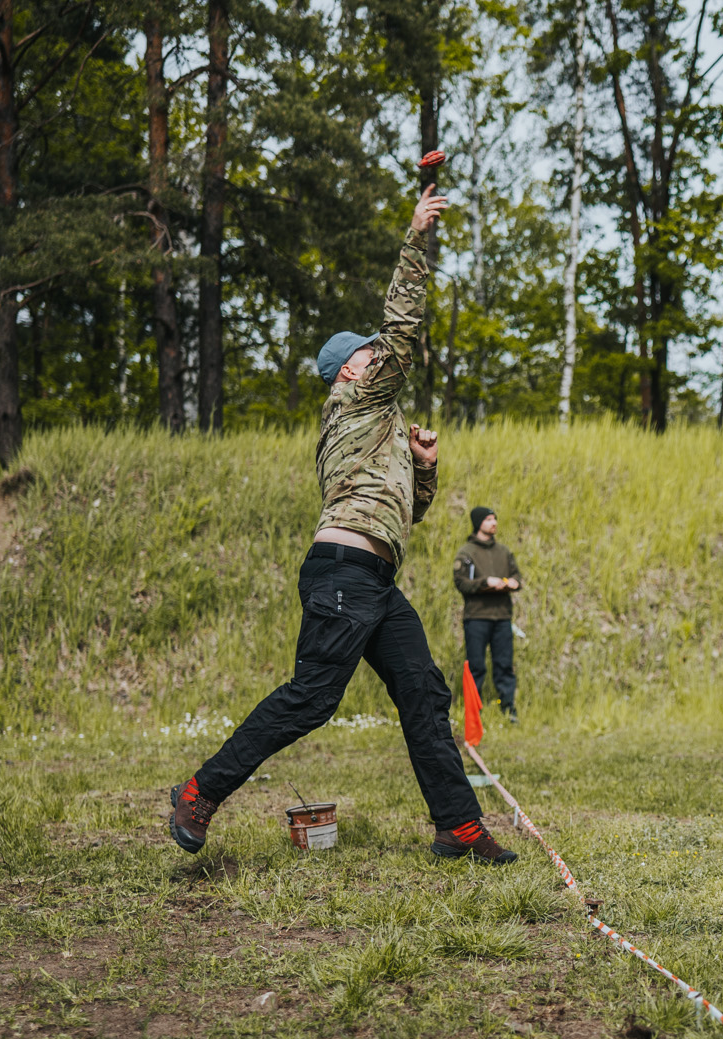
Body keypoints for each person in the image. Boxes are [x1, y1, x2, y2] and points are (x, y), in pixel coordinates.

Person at [167, 186, 516, 865]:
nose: (381, 358)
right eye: (371, 353)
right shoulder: (354, 394)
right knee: (312, 696)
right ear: (351, 369)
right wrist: (416, 236)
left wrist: (423, 466)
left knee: (423, 688)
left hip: (374, 578)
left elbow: (406, 514)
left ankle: (459, 825)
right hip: (342, 573)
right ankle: (198, 791)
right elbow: (404, 327)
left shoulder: (369, 426)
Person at [455, 506, 521, 720]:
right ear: (478, 523)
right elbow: (461, 583)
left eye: (495, 519)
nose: (494, 523)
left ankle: (508, 710)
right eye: (489, 519)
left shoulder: (504, 551)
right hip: (477, 617)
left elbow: (517, 577)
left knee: (504, 665)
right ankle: (474, 712)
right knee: (476, 666)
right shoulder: (467, 553)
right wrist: (486, 583)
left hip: (502, 617)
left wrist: (513, 583)